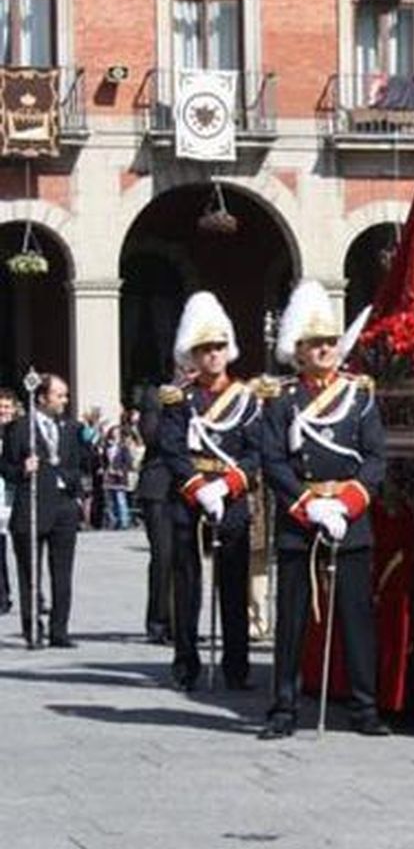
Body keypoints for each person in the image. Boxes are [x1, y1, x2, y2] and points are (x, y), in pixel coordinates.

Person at [259, 280, 389, 739]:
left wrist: (347, 504)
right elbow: (271, 459)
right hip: (303, 520)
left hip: (348, 520)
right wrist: (308, 506)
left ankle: (364, 708)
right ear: (299, 350)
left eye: (331, 343)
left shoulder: (359, 396)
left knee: (355, 618)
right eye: (316, 344)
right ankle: (283, 709)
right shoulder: (282, 401)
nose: (326, 350)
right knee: (292, 620)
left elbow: (376, 459)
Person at [158, 292, 265, 693]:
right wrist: (198, 488)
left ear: (229, 350)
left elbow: (257, 452)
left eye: (218, 347)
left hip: (231, 495)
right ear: (193, 354)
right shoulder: (179, 399)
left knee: (234, 582)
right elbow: (171, 447)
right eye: (204, 349)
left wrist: (228, 484)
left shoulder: (247, 400)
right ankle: (186, 663)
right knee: (186, 584)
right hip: (191, 497)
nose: (213, 356)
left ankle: (236, 666)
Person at [0, 374, 87, 647]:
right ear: (42, 398)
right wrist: (23, 469)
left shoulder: (70, 428)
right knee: (30, 574)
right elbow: (6, 468)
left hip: (63, 506)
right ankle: (33, 630)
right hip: (32, 506)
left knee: (62, 572)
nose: (65, 400)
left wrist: (72, 483)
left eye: (65, 396)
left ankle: (59, 630)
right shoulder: (20, 428)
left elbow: (80, 464)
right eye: (59, 395)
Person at [136, 383, 175, 644]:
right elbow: (150, 434)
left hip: (191, 486)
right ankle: (158, 621)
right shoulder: (156, 395)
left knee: (185, 560)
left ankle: (181, 620)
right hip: (160, 486)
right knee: (163, 556)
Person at [0, 388, 15, 614]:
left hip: (16, 496)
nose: (3, 411)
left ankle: (36, 597)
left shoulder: (20, 432)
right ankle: (2, 595)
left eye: (6, 407)